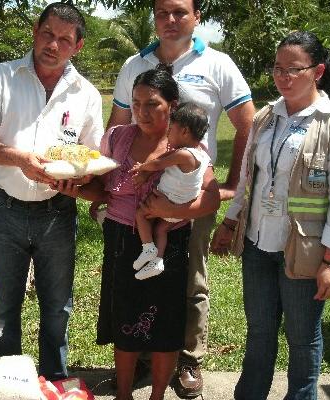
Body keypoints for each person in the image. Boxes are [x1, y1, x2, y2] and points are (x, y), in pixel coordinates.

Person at [105, 0, 255, 395]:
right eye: (161, 13)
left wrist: (230, 186)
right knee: (138, 278)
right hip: (139, 197)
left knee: (189, 282)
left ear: (196, 17)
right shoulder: (132, 65)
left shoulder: (218, 65)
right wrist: (107, 184)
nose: (170, 21)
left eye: (180, 12)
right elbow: (118, 126)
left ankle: (188, 361)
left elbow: (248, 125)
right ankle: (140, 357)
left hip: (190, 194)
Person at [210, 31, 330, 399]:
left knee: (302, 338)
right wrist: (230, 222)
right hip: (258, 245)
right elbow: (249, 179)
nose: (284, 77)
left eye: (294, 69)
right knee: (259, 330)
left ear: (318, 71)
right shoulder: (266, 117)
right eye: (278, 68)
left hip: (305, 251)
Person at [0, 2, 103, 381]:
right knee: (2, 308)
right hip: (3, 210)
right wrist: (21, 159)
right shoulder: (1, 77)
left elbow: (90, 157)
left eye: (63, 39)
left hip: (57, 213)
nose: (52, 45)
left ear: (78, 47)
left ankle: (55, 380)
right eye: (47, 34)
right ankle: (9, 383)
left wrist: (80, 180)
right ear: (35, 32)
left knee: (58, 308)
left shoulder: (86, 94)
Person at [60, 68, 219, 400]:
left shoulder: (187, 146)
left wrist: (172, 212)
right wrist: (73, 189)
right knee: (125, 318)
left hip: (168, 243)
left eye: (153, 104)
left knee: (166, 324)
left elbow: (212, 198)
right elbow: (103, 190)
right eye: (136, 103)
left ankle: (157, 395)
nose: (142, 112)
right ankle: (123, 394)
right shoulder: (118, 137)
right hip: (120, 240)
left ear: (172, 106)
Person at [129, 102, 211, 280]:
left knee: (141, 214)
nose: (168, 133)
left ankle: (148, 247)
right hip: (181, 210)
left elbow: (158, 163)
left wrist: (143, 167)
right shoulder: (203, 156)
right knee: (161, 230)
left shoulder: (184, 155)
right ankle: (158, 261)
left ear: (184, 131)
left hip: (167, 201)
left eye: (171, 129)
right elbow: (165, 156)